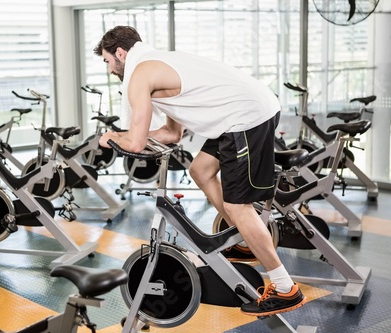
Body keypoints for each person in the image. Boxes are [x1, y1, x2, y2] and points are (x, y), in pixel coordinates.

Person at [94, 25, 306, 317]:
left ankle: (286, 289)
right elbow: (171, 133)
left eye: (107, 61)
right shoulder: (159, 66)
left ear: (120, 53)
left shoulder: (140, 73)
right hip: (239, 114)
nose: (109, 70)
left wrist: (111, 137)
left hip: (245, 117)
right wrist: (126, 136)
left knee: (238, 205)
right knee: (200, 170)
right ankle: (243, 239)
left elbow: (136, 141)